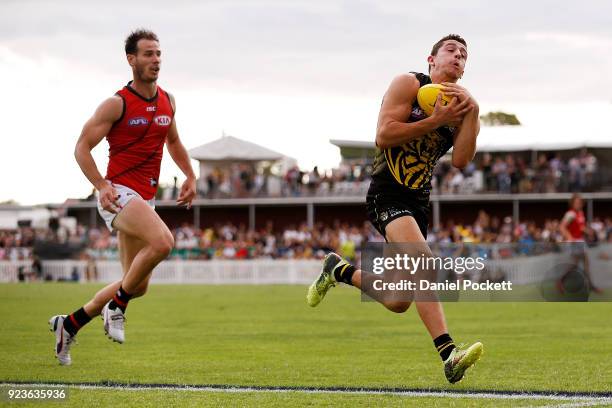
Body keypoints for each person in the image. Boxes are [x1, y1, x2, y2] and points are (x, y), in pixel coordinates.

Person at [307, 34, 482, 383]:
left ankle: (337, 270)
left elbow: (462, 160)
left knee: (398, 299)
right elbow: (384, 135)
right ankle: (449, 355)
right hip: (387, 194)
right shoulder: (408, 83)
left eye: (464, 55)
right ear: (431, 60)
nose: (458, 57)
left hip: (418, 202)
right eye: (451, 50)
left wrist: (473, 114)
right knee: (425, 262)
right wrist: (435, 120)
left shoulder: (461, 106)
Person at [49, 29, 196, 365]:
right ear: (131, 60)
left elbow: (173, 143)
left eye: (158, 53)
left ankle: (69, 323)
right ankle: (117, 307)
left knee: (137, 284)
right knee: (163, 243)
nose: (155, 60)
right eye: (148, 54)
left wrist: (189, 174)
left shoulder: (168, 101)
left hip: (144, 198)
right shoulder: (116, 103)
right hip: (118, 194)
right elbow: (81, 148)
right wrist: (101, 184)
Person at [557, 193, 602, 294]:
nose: (578, 204)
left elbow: (580, 227)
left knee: (576, 264)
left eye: (580, 202)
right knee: (582, 263)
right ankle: (590, 285)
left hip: (580, 241)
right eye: (576, 202)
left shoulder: (580, 213)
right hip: (575, 242)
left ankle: (561, 281)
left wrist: (588, 231)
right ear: (572, 203)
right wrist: (570, 237)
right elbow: (562, 227)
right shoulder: (570, 214)